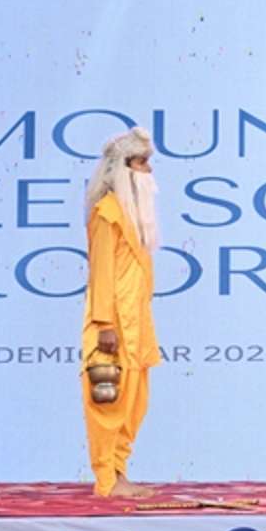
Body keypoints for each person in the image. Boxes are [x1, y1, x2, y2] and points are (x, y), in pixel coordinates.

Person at [80, 126, 161, 498]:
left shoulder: (134, 216)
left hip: (137, 322)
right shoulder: (107, 213)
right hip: (111, 325)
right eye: (142, 163)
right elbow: (101, 272)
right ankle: (107, 479)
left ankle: (119, 471)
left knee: (134, 402)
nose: (149, 171)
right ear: (124, 168)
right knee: (108, 400)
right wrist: (104, 323)